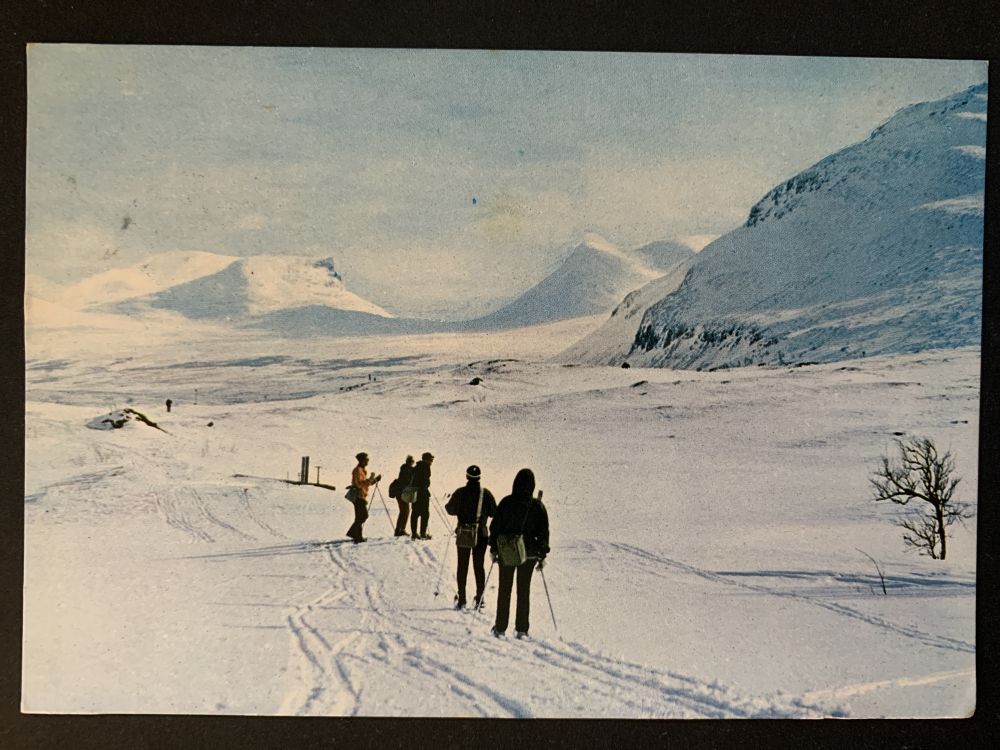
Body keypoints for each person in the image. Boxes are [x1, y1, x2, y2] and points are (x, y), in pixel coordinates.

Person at [488, 468, 549, 639]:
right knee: (523, 591)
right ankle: (522, 629)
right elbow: (544, 533)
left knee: (504, 589)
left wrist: (494, 549)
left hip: (507, 553)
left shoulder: (506, 502)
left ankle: (500, 627)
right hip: (529, 554)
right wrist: (542, 554)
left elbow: (495, 528)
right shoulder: (537, 506)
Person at [445, 465, 497, 610]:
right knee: (479, 566)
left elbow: (450, 509)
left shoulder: (460, 492)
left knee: (462, 566)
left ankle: (462, 599)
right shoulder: (485, 494)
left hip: (464, 533)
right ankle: (479, 598)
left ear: (467, 476)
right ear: (479, 477)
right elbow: (494, 512)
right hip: (481, 534)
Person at [346, 452, 381, 544]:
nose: (367, 462)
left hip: (361, 495)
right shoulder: (357, 470)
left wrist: (374, 480)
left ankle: (357, 536)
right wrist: (371, 479)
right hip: (358, 496)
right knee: (363, 516)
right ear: (362, 460)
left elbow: (365, 484)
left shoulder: (361, 470)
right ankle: (355, 535)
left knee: (360, 516)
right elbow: (359, 484)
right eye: (366, 460)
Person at [410, 452, 434, 540]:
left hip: (415, 493)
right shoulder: (425, 467)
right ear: (426, 460)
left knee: (415, 513)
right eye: (431, 460)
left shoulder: (416, 467)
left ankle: (414, 533)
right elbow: (425, 482)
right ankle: (423, 533)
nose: (431, 462)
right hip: (423, 493)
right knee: (425, 514)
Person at [392, 455, 415, 537]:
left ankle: (399, 529)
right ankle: (400, 529)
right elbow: (407, 481)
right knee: (405, 511)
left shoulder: (405, 469)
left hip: (402, 493)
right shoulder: (406, 470)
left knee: (404, 511)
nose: (411, 463)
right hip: (402, 493)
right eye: (411, 461)